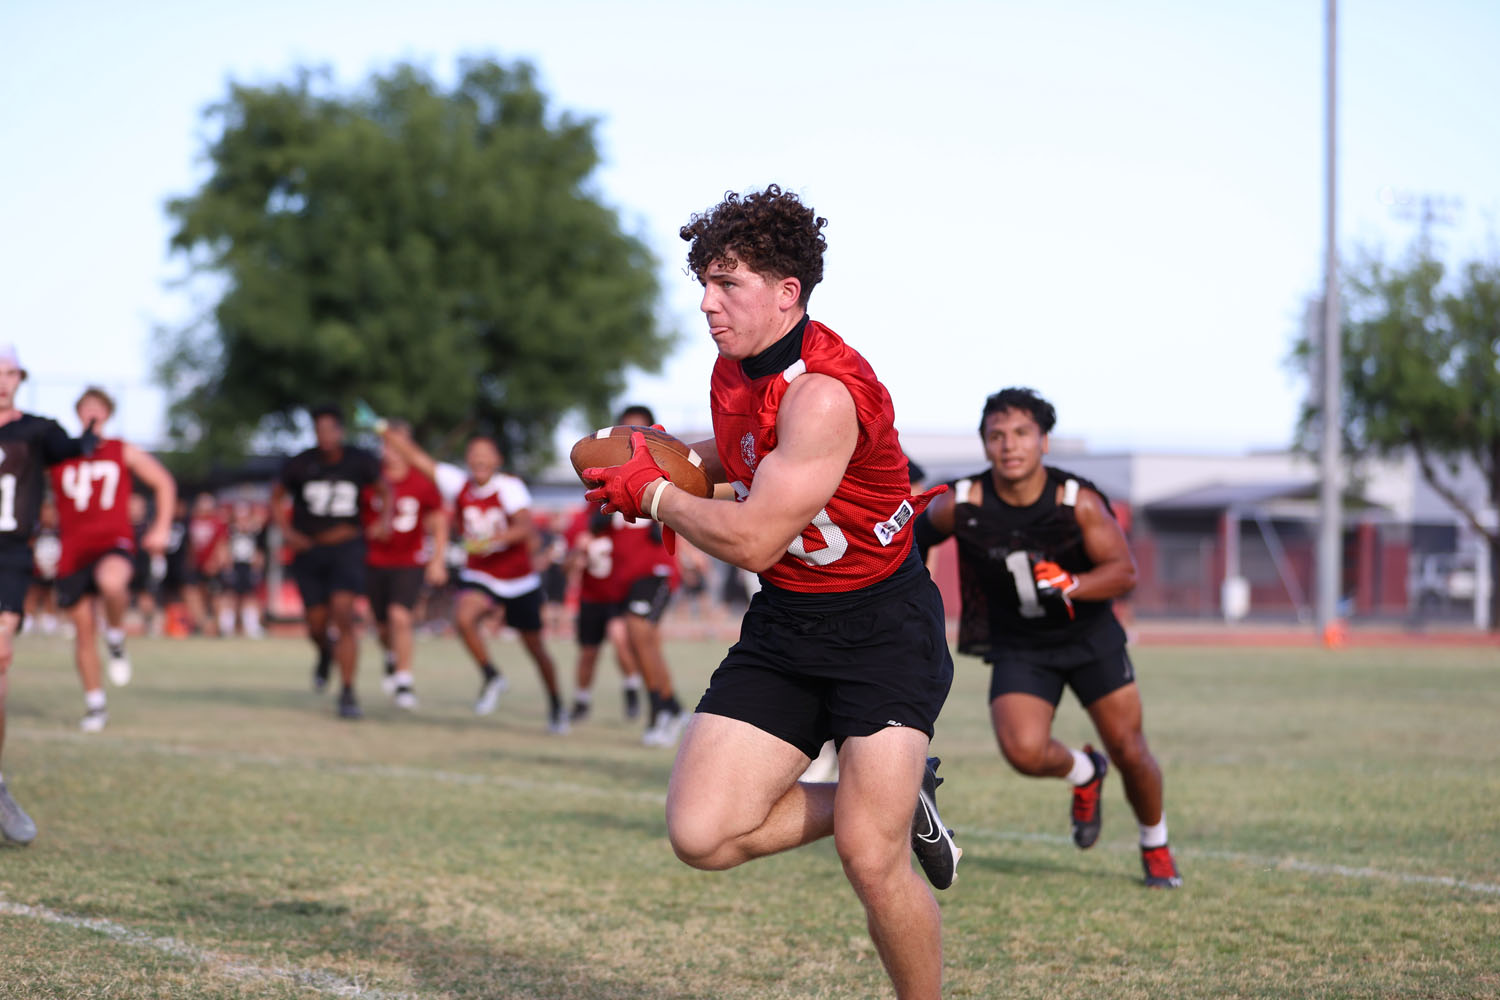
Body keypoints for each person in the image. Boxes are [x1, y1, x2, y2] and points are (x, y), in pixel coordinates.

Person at [582, 186, 958, 999]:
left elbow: (754, 536)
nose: (709, 306)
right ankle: (895, 799)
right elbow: (740, 456)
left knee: (869, 856)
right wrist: (669, 463)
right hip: (789, 622)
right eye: (704, 286)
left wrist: (653, 494)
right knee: (702, 834)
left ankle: (885, 830)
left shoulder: (823, 392)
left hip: (880, 626)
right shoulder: (736, 368)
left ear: (788, 293)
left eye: (729, 285)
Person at [915, 387, 1182, 889]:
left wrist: (1074, 585)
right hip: (1019, 643)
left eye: (1021, 433)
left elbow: (1124, 572)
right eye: (996, 435)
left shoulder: (1074, 500)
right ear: (984, 444)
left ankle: (1156, 844)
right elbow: (908, 539)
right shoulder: (965, 500)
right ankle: (1085, 772)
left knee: (1129, 747)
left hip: (1089, 637)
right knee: (1023, 750)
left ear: (1044, 442)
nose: (1009, 445)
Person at [379, 424, 569, 733]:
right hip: (481, 573)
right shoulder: (459, 484)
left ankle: (557, 704)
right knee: (463, 616)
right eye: (474, 453)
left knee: (534, 647)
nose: (479, 458)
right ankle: (491, 676)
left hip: (517, 578)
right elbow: (416, 458)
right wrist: (385, 432)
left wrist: (489, 541)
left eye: (485, 453)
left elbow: (525, 528)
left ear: (497, 459)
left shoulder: (508, 487)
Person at [0, 345, 99, 845]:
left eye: (9, 372)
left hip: (8, 554)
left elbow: (76, 451)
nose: (1, 381)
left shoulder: (36, 429)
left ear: (20, 377)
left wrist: (90, 429)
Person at [50, 386, 177, 732]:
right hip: (73, 550)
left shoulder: (122, 450)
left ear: (107, 412)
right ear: (78, 412)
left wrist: (161, 527)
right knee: (83, 632)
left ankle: (117, 635)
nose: (92, 412)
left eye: (98, 407)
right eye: (85, 407)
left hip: (112, 541)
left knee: (112, 581)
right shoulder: (61, 453)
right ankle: (95, 705)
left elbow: (164, 482)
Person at [271, 404, 388, 720]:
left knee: (344, 615)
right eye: (318, 430)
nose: (324, 436)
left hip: (347, 547)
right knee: (315, 623)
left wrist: (383, 519)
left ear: (340, 431)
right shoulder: (301, 464)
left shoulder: (360, 460)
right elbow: (276, 497)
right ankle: (324, 652)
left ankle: (348, 692)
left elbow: (385, 490)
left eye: (329, 429)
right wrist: (287, 532)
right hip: (309, 550)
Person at [609, 404, 689, 748]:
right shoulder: (609, 470)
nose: (633, 438)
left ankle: (661, 712)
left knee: (639, 635)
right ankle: (671, 705)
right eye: (627, 431)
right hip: (624, 575)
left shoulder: (663, 469)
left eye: (640, 431)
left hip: (654, 571)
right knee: (639, 644)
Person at [362, 420, 447, 710]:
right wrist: (370, 531)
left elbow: (438, 521)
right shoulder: (371, 480)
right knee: (382, 625)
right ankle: (390, 657)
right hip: (374, 560)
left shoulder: (421, 481)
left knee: (401, 617)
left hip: (409, 561)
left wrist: (437, 560)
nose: (393, 451)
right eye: (388, 443)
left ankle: (404, 681)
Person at [562, 503, 642, 724]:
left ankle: (631, 688)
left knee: (619, 639)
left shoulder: (624, 521)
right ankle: (581, 701)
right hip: (591, 598)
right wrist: (578, 551)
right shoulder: (579, 523)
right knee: (589, 653)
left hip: (617, 598)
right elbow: (565, 568)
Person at [217, 500, 266, 638]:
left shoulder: (255, 531)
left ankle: (251, 626)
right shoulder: (229, 530)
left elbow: (259, 552)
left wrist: (257, 568)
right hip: (234, 565)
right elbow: (223, 548)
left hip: (248, 566)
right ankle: (227, 626)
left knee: (250, 596)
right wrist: (226, 566)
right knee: (229, 595)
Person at [183, 492, 228, 636]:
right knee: (194, 592)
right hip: (197, 564)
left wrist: (216, 562)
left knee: (215, 595)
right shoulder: (192, 521)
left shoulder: (217, 522)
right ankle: (202, 624)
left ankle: (219, 625)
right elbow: (191, 544)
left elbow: (222, 543)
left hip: (211, 565)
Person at [24, 496, 62, 636]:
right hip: (37, 567)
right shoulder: (36, 529)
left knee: (50, 594)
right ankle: (28, 619)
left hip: (53, 569)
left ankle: (50, 621)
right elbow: (30, 545)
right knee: (32, 592)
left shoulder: (59, 530)